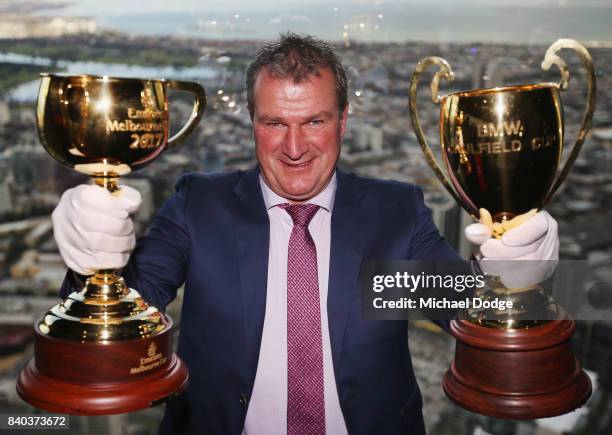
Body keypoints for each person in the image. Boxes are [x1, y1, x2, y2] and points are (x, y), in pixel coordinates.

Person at [53, 33, 558, 435]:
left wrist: (521, 284)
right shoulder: (198, 205)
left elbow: (466, 308)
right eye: (274, 122)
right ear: (251, 123)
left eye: (314, 120)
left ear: (343, 120)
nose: (294, 147)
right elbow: (123, 314)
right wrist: (89, 265)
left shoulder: (392, 213)